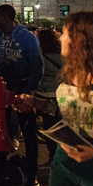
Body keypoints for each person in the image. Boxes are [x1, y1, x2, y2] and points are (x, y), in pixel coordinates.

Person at [16, 12, 93, 186]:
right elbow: (67, 109)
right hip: (65, 166)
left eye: (64, 32)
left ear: (81, 39)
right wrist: (36, 103)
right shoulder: (71, 72)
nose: (59, 37)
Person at [0, 3, 43, 186]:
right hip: (2, 87)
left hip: (22, 85)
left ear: (5, 17)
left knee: (28, 131)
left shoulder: (27, 38)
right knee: (0, 129)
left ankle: (31, 172)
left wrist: (28, 91)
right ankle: (1, 168)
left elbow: (37, 66)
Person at [35, 28, 64, 164]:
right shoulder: (62, 56)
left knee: (49, 127)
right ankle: (59, 155)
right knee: (59, 126)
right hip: (60, 94)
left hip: (45, 94)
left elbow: (39, 76)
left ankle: (53, 156)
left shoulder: (42, 57)